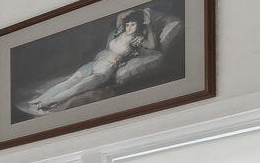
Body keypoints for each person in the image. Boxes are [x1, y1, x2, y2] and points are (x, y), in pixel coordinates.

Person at [24, 7, 171, 114]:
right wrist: (135, 14)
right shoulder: (119, 32)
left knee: (77, 88)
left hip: (106, 69)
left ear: (139, 25)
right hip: (96, 62)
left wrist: (148, 22)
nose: (129, 27)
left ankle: (47, 102)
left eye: (133, 24)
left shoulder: (137, 40)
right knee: (69, 81)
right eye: (128, 24)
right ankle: (42, 98)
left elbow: (152, 45)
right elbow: (120, 15)